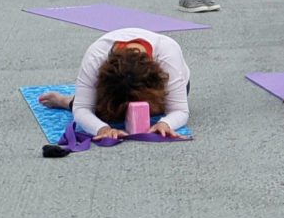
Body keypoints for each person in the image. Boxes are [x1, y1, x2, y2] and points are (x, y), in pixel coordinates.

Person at [35, 28, 189, 139]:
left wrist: (166, 124)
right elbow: (82, 109)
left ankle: (72, 101)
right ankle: (66, 101)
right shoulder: (95, 57)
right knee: (103, 113)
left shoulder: (168, 53)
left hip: (169, 80)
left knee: (156, 111)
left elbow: (180, 110)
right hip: (112, 84)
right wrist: (102, 128)